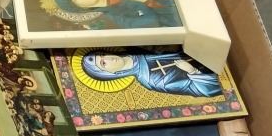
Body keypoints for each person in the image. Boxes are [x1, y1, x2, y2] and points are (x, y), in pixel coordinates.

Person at [80, 50, 222, 98]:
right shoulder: (152, 80)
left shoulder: (138, 48)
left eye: (103, 55)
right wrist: (193, 71)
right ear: (111, 74)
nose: (109, 58)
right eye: (103, 63)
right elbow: (206, 90)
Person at [54, 0, 181, 29]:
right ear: (77, 6)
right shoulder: (110, 16)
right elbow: (151, 22)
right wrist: (144, 1)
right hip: (174, 20)